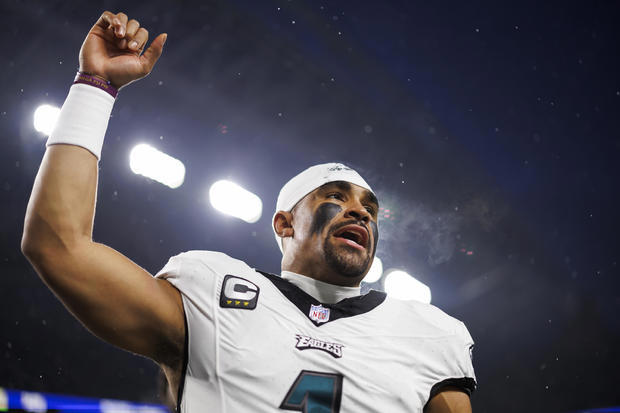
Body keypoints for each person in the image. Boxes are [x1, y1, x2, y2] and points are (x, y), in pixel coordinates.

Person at [21, 11, 476, 413]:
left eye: (370, 209)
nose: (360, 213)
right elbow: (59, 246)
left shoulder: (430, 334)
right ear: (284, 222)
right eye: (335, 196)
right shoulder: (212, 290)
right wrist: (95, 87)